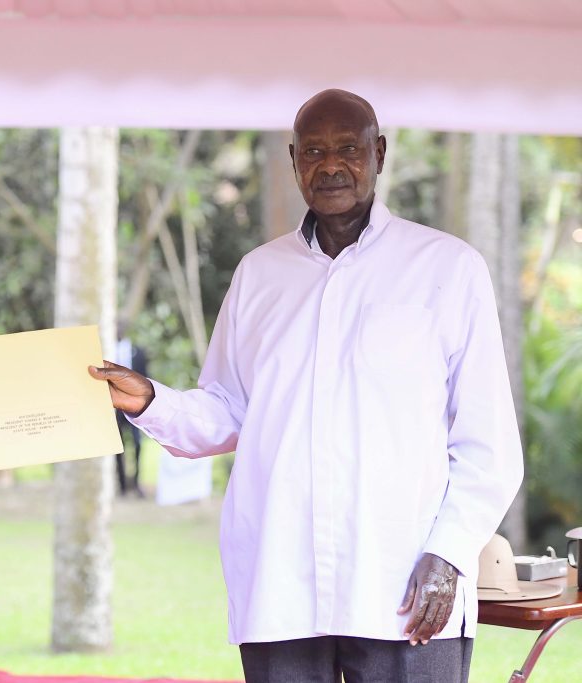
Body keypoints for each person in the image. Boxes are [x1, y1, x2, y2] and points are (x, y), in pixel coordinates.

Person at [90, 89, 523, 683]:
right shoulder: (259, 275)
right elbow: (229, 411)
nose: (330, 164)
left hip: (401, 581)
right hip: (281, 580)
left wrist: (448, 553)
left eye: (348, 147)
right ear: (294, 161)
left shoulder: (448, 268)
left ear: (380, 153)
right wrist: (149, 401)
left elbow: (488, 444)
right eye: (313, 151)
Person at [114, 333, 147, 496]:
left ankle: (136, 482)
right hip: (114, 408)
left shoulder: (138, 352)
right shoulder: (106, 351)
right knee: (118, 447)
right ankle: (121, 486)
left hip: (134, 407)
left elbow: (145, 379)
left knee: (137, 443)